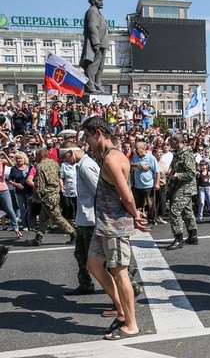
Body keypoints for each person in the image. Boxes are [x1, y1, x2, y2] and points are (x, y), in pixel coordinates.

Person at [82, 116, 149, 340]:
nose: (86, 141)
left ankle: (131, 324)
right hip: (104, 223)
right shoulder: (106, 156)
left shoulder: (112, 159)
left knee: (120, 274)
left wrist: (135, 215)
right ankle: (121, 311)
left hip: (115, 225)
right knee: (93, 265)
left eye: (88, 136)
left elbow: (127, 195)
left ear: (98, 134)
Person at [60, 142, 99, 296]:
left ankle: (128, 281)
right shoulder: (82, 165)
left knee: (97, 258)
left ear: (70, 152)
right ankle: (85, 284)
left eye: (64, 157)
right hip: (84, 217)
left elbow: (98, 191)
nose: (64, 160)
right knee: (80, 254)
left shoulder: (86, 166)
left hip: (91, 218)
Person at [25, 148, 76, 246]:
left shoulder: (40, 166)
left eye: (37, 155)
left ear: (41, 156)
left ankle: (73, 233)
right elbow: (58, 176)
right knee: (43, 217)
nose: (35, 157)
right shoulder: (54, 163)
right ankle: (38, 238)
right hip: (55, 194)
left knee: (57, 217)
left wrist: (36, 196)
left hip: (47, 196)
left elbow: (39, 184)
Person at [166, 133, 199, 250]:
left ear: (177, 141)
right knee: (187, 211)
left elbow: (191, 173)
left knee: (174, 210)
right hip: (180, 186)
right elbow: (175, 165)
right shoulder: (177, 154)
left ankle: (179, 238)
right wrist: (171, 170)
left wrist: (177, 175)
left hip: (185, 187)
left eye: (171, 141)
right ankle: (193, 236)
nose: (169, 143)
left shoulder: (186, 154)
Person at [79, 0, 110, 94]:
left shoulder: (98, 12)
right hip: (97, 42)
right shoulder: (92, 11)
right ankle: (89, 85)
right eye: (99, 0)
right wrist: (96, 42)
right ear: (93, 1)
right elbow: (92, 26)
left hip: (102, 43)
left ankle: (97, 84)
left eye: (102, 0)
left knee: (100, 67)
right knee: (93, 65)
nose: (101, 2)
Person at [0, 151, 21, 238]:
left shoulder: (2, 161)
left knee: (9, 209)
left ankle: (16, 228)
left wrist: (5, 154)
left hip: (3, 189)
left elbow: (12, 165)